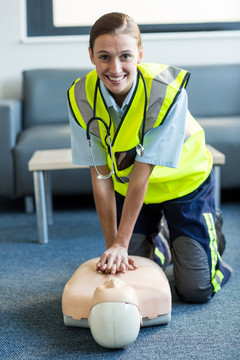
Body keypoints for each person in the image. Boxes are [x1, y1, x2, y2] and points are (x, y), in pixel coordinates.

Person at [68, 12, 231, 303]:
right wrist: (113, 247)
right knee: (131, 271)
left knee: (195, 290)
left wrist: (121, 241)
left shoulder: (166, 91)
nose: (115, 68)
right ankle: (165, 243)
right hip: (128, 191)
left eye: (125, 56)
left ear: (140, 54)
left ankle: (210, 235)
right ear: (91, 55)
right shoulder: (81, 95)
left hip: (185, 186)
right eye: (104, 57)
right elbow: (100, 175)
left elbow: (142, 172)